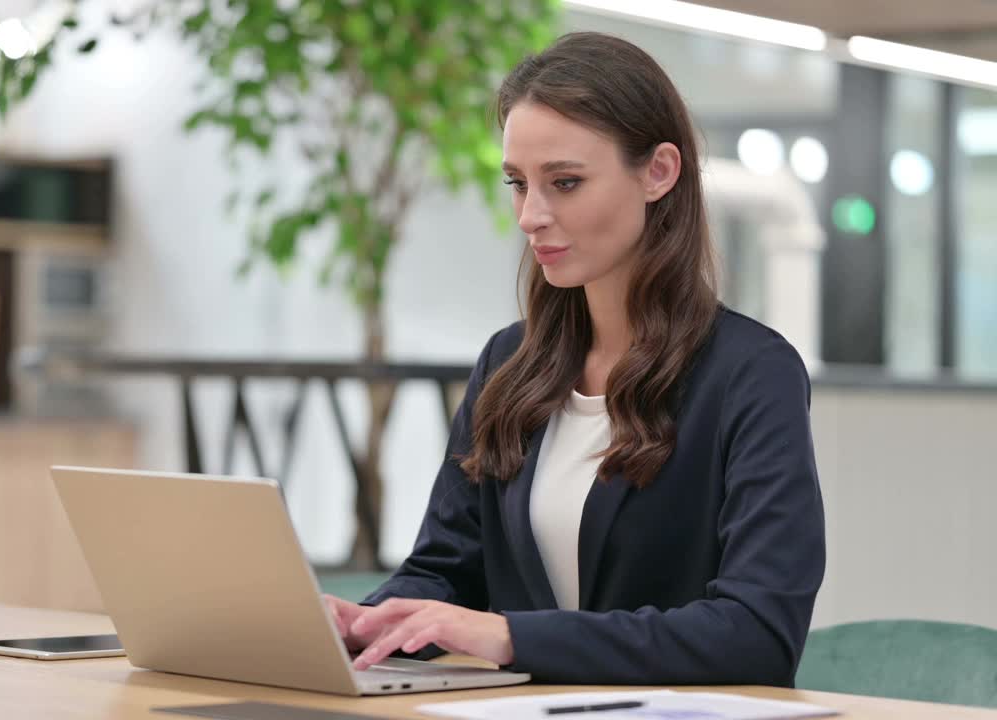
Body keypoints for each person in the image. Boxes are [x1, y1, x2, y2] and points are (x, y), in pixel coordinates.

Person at [323, 31, 825, 686]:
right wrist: (367, 623)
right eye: (517, 183)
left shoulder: (751, 374)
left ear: (659, 172)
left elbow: (756, 634)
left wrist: (509, 637)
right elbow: (446, 571)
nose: (531, 216)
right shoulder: (509, 363)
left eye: (564, 182)